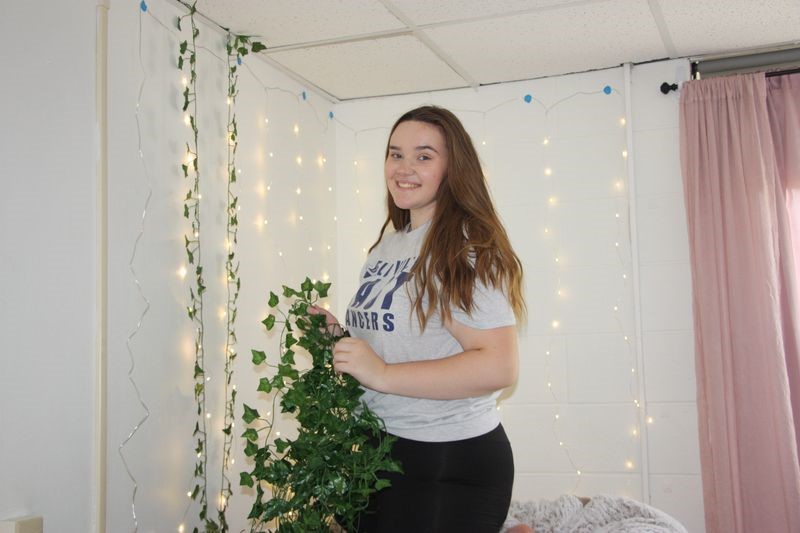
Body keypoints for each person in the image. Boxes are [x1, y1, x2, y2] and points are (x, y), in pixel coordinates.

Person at [313, 105, 525, 533]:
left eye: (424, 156)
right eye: (395, 154)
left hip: (448, 458)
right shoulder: (388, 246)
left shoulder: (463, 249)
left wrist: (384, 373)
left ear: (452, 169)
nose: (403, 168)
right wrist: (342, 339)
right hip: (381, 447)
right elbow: (400, 341)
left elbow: (499, 365)